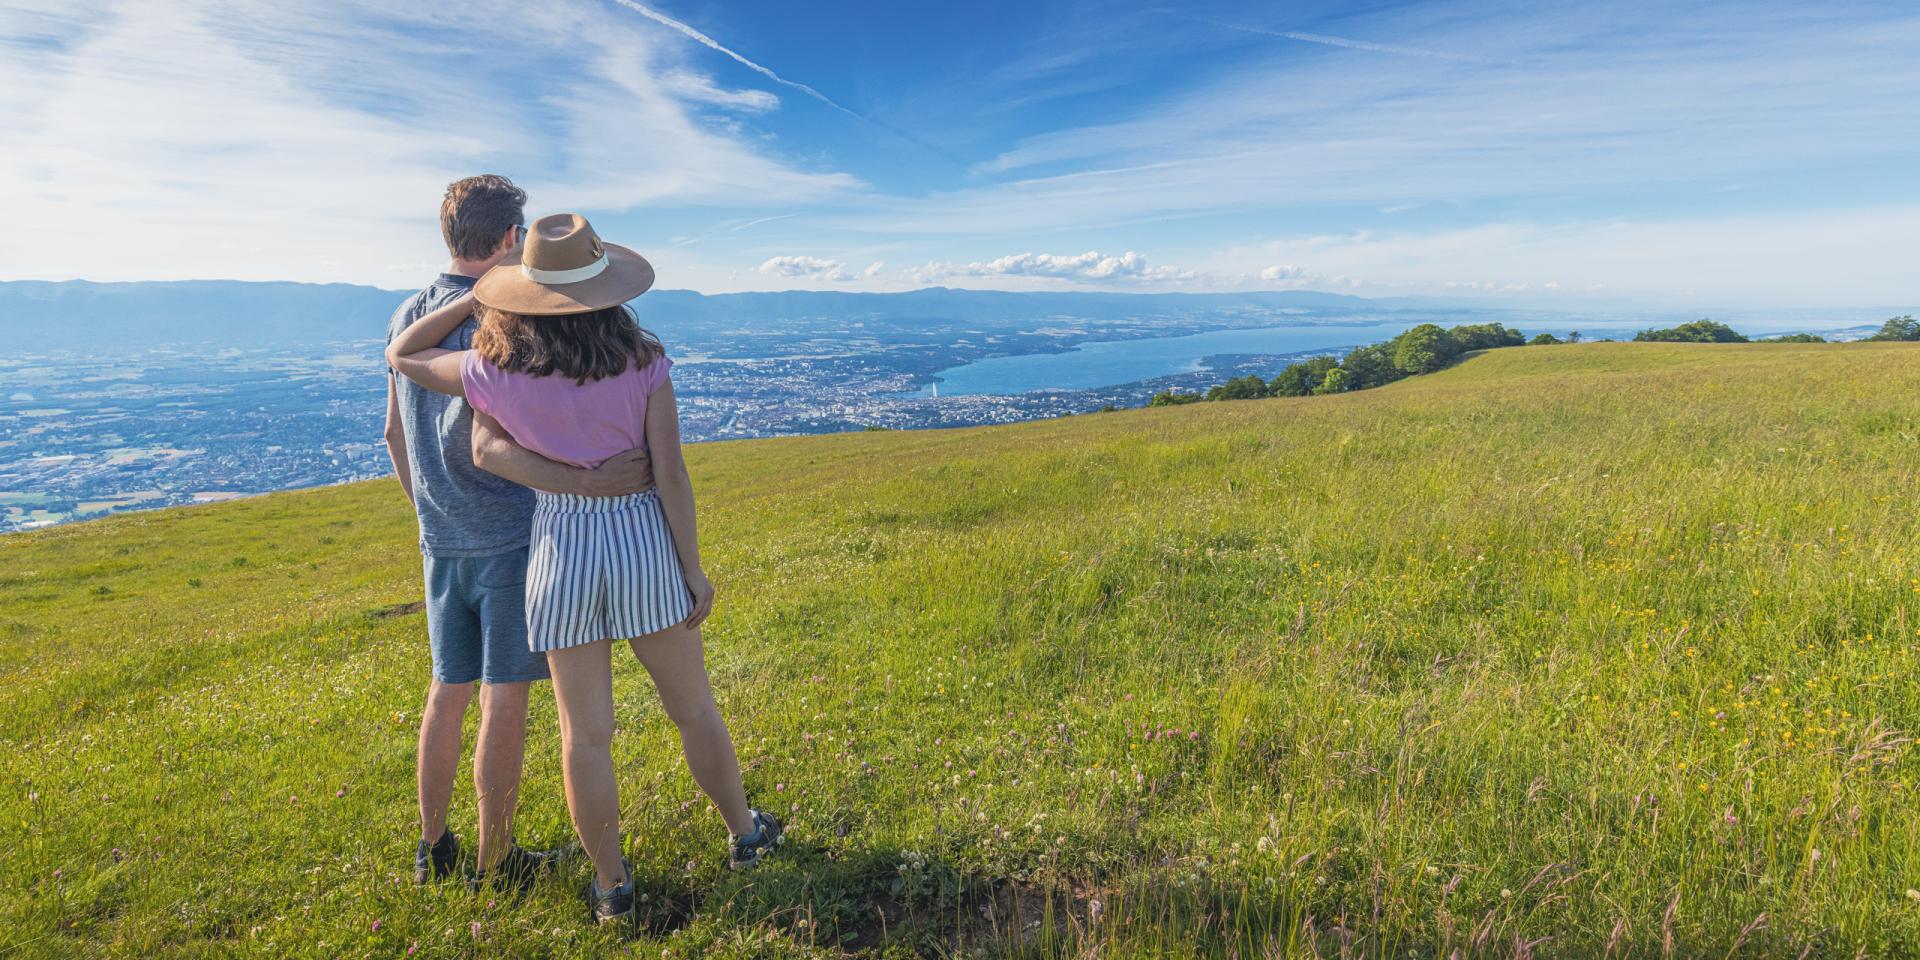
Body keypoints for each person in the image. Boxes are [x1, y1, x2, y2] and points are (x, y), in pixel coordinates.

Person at [386, 211, 782, 925]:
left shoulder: (492, 371)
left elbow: (404, 356)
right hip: (641, 542)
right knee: (693, 710)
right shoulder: (643, 363)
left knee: (584, 735)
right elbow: (673, 476)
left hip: (558, 547)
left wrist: (477, 299)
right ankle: (745, 834)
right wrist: (692, 569)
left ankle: (611, 886)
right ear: (607, 287)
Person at [382, 176, 658, 890]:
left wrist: (430, 512)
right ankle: (495, 861)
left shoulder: (408, 313)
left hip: (440, 537)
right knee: (506, 694)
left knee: (447, 690)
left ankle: (432, 846)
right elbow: (496, 442)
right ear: (509, 239)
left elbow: (393, 431)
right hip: (509, 530)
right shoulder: (502, 323)